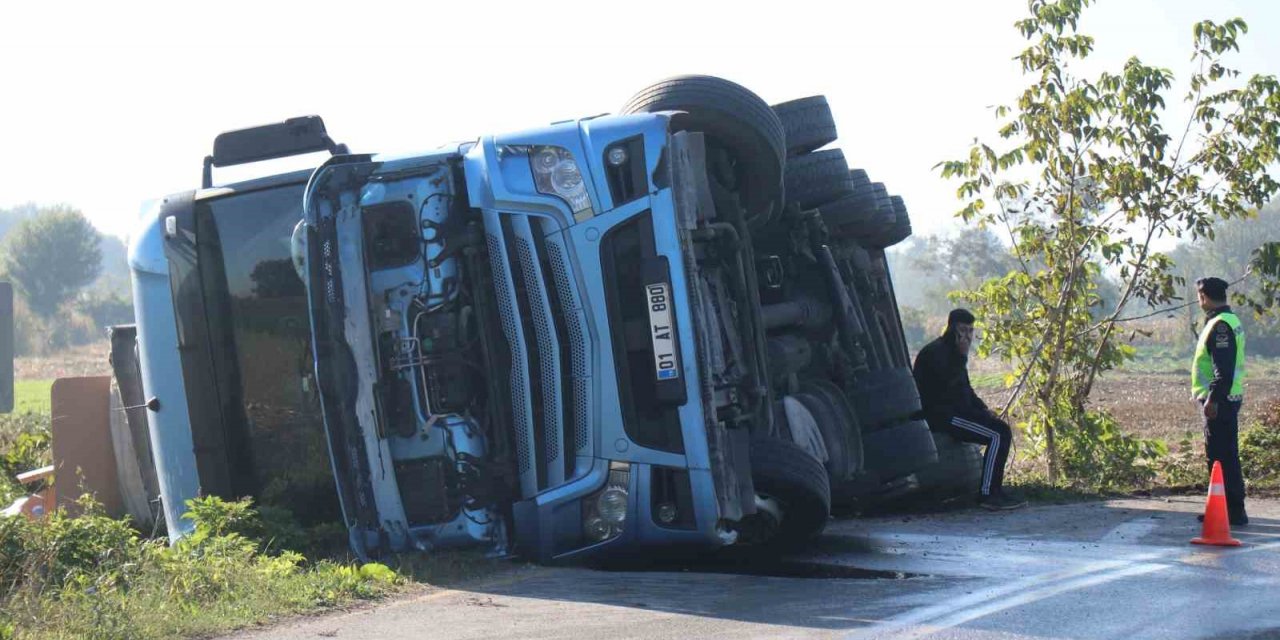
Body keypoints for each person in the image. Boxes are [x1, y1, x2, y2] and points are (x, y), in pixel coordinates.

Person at [913, 309, 1026, 510]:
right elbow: (951, 398)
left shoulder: (954, 354)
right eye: (962, 330)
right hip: (943, 416)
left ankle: (995, 491)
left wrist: (983, 409)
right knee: (997, 435)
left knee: (1000, 430)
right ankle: (987, 494)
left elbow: (966, 390)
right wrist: (979, 415)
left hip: (955, 413)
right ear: (951, 329)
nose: (967, 337)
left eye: (970, 331)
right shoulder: (937, 354)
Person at [1192, 276, 1248, 526]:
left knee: (1220, 457)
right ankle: (1224, 509)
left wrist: (1212, 399)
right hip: (1227, 398)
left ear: (1203, 296)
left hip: (1220, 401)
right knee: (1225, 455)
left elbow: (1222, 369)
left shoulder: (1220, 326)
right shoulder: (1228, 320)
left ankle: (1232, 511)